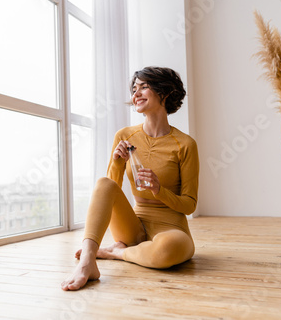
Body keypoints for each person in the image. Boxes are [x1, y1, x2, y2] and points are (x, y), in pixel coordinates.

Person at [61, 66, 199, 291]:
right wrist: (117, 161)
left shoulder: (185, 144)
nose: (136, 94)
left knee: (169, 249)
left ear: (164, 92)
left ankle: (118, 252)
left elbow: (189, 204)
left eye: (144, 87)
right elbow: (110, 189)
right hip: (132, 227)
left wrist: (158, 189)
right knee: (103, 183)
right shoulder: (125, 136)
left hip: (170, 228)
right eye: (134, 89)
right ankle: (88, 262)